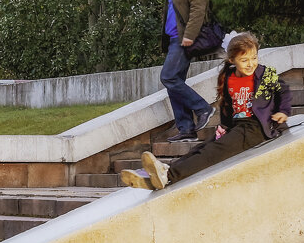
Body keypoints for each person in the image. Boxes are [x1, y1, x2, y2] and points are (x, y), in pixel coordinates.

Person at [122, 32, 291, 190]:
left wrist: (283, 111)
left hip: (257, 128)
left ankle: (169, 175)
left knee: (212, 152)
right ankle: (163, 172)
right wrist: (224, 127)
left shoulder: (265, 74)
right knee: (202, 147)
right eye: (244, 60)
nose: (251, 63)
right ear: (232, 60)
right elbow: (226, 105)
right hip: (237, 126)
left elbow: (283, 90)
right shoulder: (229, 77)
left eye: (254, 58)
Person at [158, 0, 215, 141]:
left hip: (184, 40)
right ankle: (186, 129)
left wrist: (190, 35)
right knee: (174, 82)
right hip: (175, 39)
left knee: (168, 77)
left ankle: (203, 108)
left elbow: (199, 9)